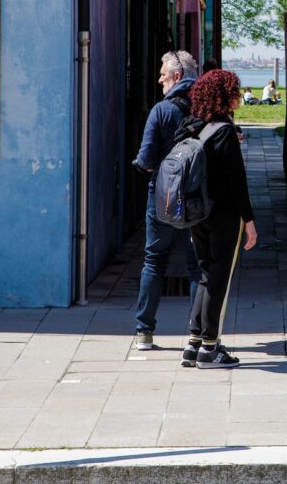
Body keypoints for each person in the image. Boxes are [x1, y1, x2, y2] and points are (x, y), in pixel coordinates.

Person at [175, 69, 259, 369]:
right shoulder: (224, 131)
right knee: (219, 279)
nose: (239, 95)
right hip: (223, 214)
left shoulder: (191, 125)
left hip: (196, 213)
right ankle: (210, 348)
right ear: (225, 96)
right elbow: (237, 182)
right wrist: (248, 220)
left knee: (205, 275)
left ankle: (193, 342)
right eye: (235, 91)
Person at [131, 50, 202, 351]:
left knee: (154, 260)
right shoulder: (206, 107)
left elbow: (146, 160)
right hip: (198, 197)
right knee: (198, 265)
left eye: (162, 74)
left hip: (164, 196)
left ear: (176, 76)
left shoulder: (161, 111)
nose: (159, 79)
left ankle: (144, 332)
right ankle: (198, 333)